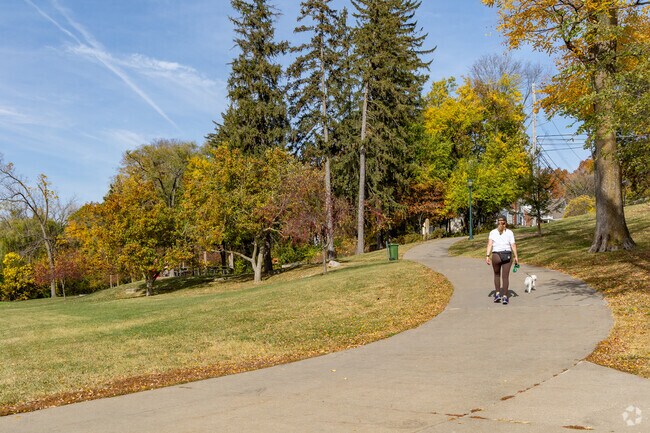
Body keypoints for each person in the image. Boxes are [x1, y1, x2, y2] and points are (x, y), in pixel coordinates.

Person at [485, 215, 519, 305]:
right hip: (507, 255)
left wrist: (487, 256)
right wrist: (516, 256)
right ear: (505, 223)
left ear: (497, 222)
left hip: (496, 255)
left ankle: (497, 294)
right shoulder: (510, 232)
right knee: (505, 277)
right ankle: (504, 296)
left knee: (496, 275)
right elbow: (513, 245)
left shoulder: (492, 232)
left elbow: (489, 244)